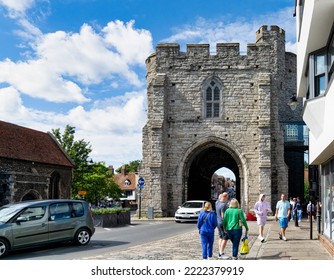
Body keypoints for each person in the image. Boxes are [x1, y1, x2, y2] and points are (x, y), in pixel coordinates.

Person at [215, 192, 229, 259]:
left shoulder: (217, 203)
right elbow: (223, 216)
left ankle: (220, 251)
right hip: (222, 223)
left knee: (220, 237)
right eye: (227, 197)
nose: (227, 199)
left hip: (218, 222)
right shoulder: (224, 205)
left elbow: (218, 199)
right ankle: (221, 253)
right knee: (225, 238)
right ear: (225, 197)